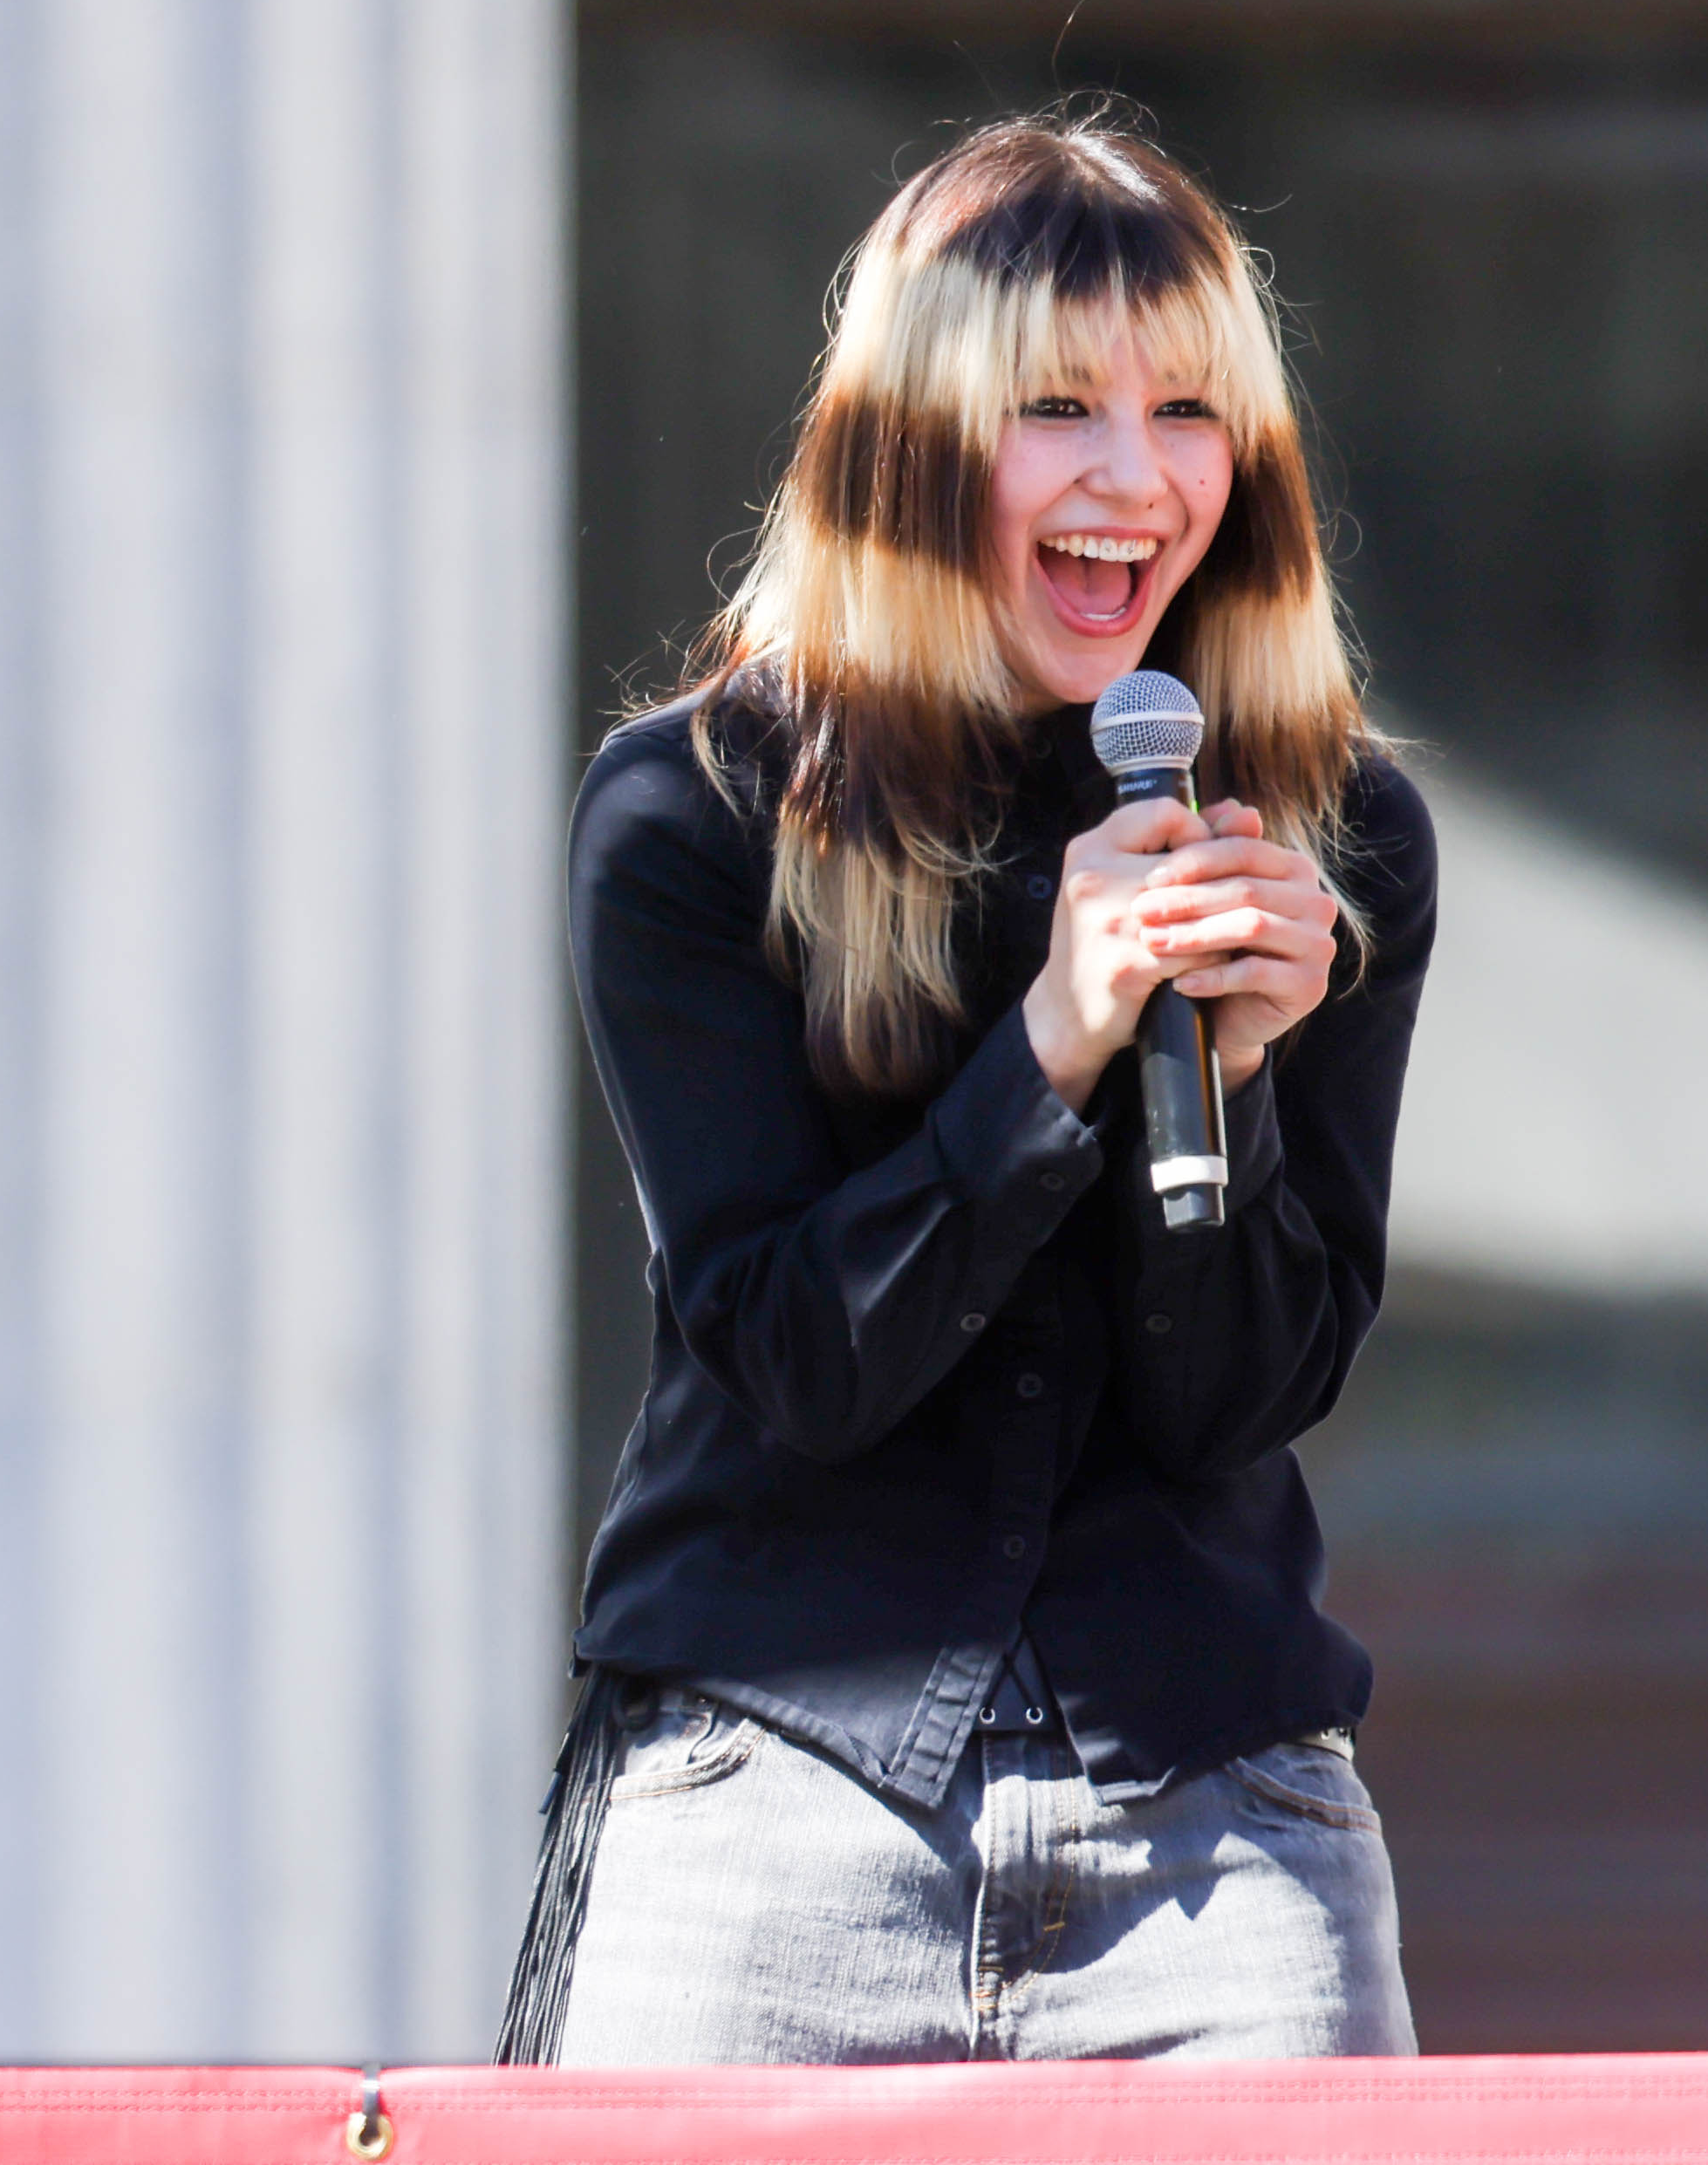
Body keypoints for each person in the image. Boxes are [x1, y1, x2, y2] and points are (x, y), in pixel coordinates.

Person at [506, 112, 1435, 2064]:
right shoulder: (692, 816)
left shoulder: (1331, 832)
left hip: (1211, 1822)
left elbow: (1245, 1400)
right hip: (769, 1794)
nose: (1134, 478)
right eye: (1055, 409)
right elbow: (797, 1358)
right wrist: (1050, 1047)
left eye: (1189, 412)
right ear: (910, 445)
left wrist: (1235, 1081)